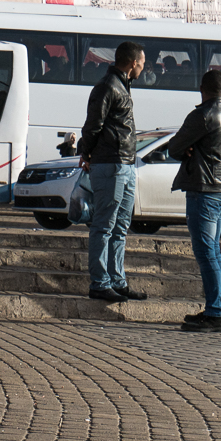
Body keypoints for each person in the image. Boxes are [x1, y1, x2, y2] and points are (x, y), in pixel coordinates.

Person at [166, 69, 221, 333]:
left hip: (204, 188)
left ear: (201, 88)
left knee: (206, 252)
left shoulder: (203, 115)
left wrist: (187, 148)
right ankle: (214, 309)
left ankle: (216, 313)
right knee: (213, 251)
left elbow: (174, 147)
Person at [79, 40, 147, 303]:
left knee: (120, 226)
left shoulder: (122, 86)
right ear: (133, 63)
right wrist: (87, 154)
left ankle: (117, 280)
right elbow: (92, 125)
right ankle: (99, 282)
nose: (143, 67)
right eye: (142, 63)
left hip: (125, 164)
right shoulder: (108, 87)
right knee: (104, 225)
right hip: (111, 164)